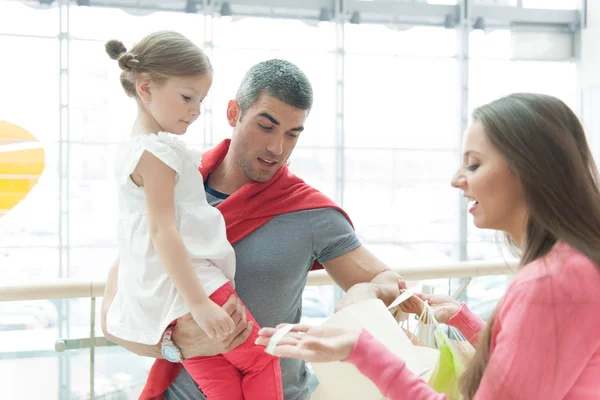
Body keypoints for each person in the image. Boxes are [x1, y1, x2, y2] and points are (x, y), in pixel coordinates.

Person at [257, 93, 600, 399]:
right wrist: (463, 321)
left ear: (528, 171)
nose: (456, 179)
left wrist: (363, 351)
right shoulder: (572, 267)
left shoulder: (551, 285)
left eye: (475, 164)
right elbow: (531, 366)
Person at [101, 57, 403, 400]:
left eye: (292, 134)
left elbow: (386, 281)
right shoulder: (172, 184)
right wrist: (173, 345)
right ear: (234, 113)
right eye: (266, 126)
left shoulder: (309, 211)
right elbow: (113, 316)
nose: (277, 148)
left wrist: (368, 295)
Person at [103, 31, 284, 400]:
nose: (195, 109)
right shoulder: (157, 154)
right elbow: (163, 232)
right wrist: (200, 304)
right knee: (263, 359)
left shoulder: (136, 150)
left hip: (165, 298)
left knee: (222, 387)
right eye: (187, 97)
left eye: (200, 99)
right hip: (193, 287)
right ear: (146, 87)